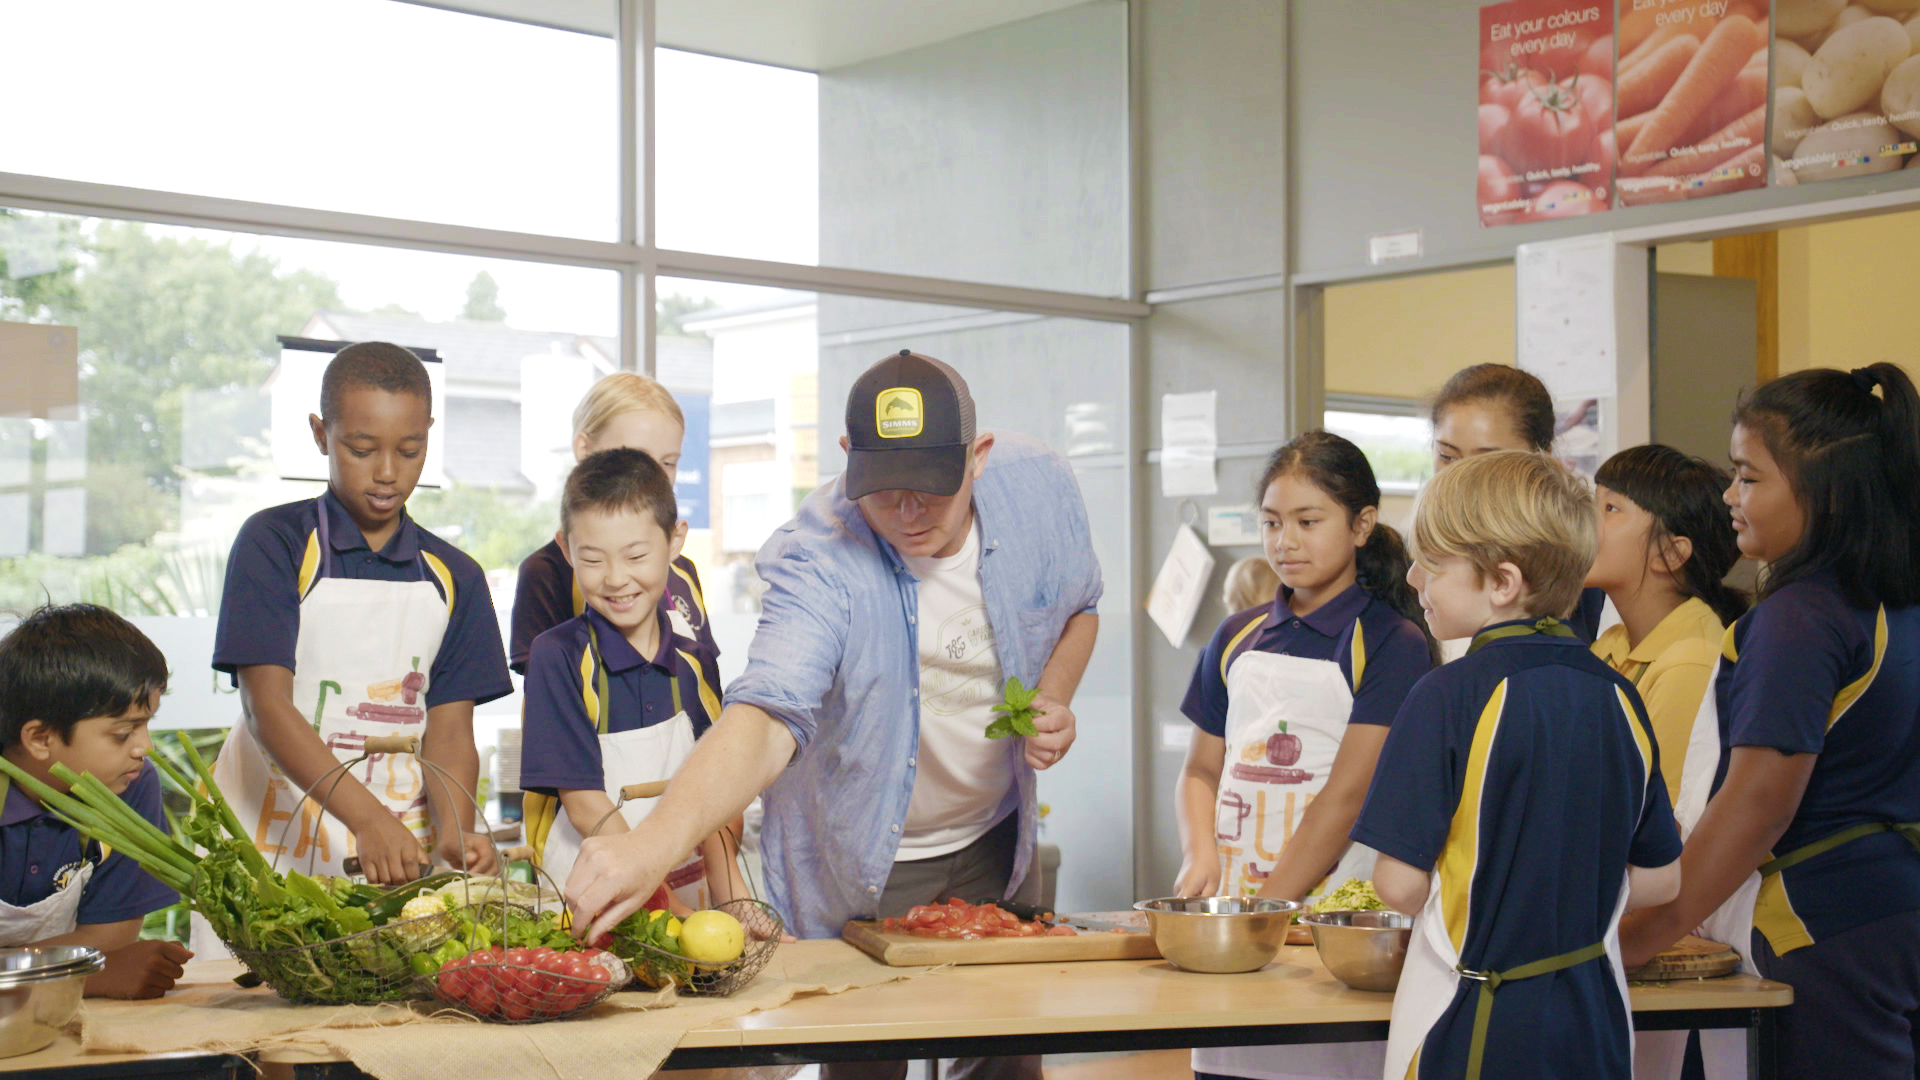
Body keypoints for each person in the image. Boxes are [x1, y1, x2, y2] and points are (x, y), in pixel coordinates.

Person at [565, 349, 1102, 1080]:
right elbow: (767, 715)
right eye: (885, 494)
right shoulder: (818, 554)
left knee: (1004, 1059)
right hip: (859, 849)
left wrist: (1057, 692)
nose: (908, 516)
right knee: (859, 1055)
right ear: (849, 458)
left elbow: (1081, 607)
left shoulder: (1041, 490)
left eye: (931, 494)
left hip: (992, 837)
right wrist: (654, 843)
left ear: (978, 459)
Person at [1621, 364, 1920, 1080]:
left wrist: (1641, 934)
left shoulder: (1799, 617)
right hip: (1892, 914)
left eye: (1748, 478)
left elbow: (1758, 805)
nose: (1729, 496)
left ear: (1823, 492)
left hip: (1823, 929)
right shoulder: (1893, 603)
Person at [1355, 451, 1682, 1080]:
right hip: (1598, 1017)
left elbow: (1398, 885)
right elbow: (1661, 882)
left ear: (1502, 583)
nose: (1416, 580)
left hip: (1474, 1016)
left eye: (1435, 563)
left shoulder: (1446, 695)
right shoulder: (1621, 695)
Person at [1174, 431, 1434, 1080]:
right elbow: (1202, 769)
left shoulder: (1391, 642)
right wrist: (1200, 853)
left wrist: (1271, 910)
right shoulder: (1236, 636)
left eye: (1307, 522)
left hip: (1323, 918)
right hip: (1237, 912)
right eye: (1271, 523)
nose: (1284, 542)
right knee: (1229, 1063)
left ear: (1362, 525)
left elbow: (1346, 797)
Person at [210, 342, 510, 891]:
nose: (388, 473)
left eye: (411, 449)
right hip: (273, 831)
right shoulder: (274, 543)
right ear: (321, 434)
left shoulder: (456, 576)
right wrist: (369, 818)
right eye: (362, 449)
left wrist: (453, 828)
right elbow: (266, 705)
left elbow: (448, 730)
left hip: (400, 842)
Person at [518, 448, 741, 912]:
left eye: (636, 555)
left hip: (687, 901)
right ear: (565, 549)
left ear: (675, 540)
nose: (617, 579)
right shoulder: (557, 658)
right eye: (593, 560)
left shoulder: (697, 663)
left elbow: (714, 797)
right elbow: (584, 806)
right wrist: (672, 918)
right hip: (588, 910)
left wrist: (733, 900)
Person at [0, 605, 193, 998]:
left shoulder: (130, 785)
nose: (146, 748)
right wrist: (88, 977)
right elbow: (99, 958)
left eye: (147, 723)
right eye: (124, 732)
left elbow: (111, 936)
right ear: (39, 738)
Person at [511, 373, 719, 689]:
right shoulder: (546, 573)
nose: (656, 477)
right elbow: (548, 699)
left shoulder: (684, 572)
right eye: (636, 458)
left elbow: (706, 684)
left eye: (668, 463)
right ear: (584, 448)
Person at [1585, 445, 1748, 802]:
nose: (1584, 521)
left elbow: (1668, 823)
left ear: (1671, 553)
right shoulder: (1612, 644)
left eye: (1610, 509)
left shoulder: (1690, 663)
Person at [1428, 363, 1610, 647]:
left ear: (1543, 460)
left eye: (1485, 462)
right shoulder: (1423, 557)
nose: (1458, 478)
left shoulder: (1581, 568)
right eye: (1447, 456)